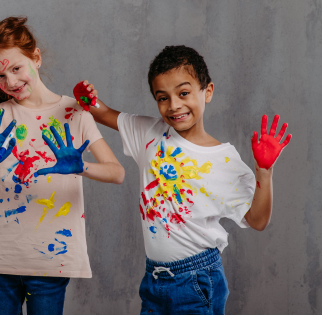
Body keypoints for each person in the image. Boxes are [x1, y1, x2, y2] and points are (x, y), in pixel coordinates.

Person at [73, 45, 291, 315]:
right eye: (162, 97)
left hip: (197, 280)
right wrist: (88, 99)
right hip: (153, 279)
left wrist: (264, 172)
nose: (174, 105)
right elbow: (103, 113)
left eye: (184, 93)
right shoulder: (150, 133)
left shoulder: (223, 160)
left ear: (207, 92)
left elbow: (257, 221)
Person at [0, 17, 125, 315]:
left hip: (51, 260)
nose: (11, 82)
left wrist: (80, 166)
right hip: (1, 258)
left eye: (16, 68)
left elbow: (117, 172)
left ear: (37, 58)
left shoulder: (74, 111)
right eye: (0, 76)